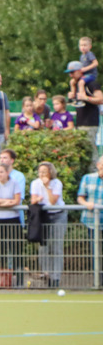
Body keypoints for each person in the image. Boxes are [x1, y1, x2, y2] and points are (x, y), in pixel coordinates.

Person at [0, 164, 23, 287]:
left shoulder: (14, 183)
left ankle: (19, 281)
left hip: (13, 219)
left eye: (1, 172)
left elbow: (16, 201)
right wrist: (5, 202)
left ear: (7, 172)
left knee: (16, 250)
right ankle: (1, 281)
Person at [31, 161, 66, 288]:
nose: (42, 174)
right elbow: (33, 200)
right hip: (43, 216)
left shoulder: (57, 183)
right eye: (40, 172)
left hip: (58, 215)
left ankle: (56, 277)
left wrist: (47, 187)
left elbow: (52, 201)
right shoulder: (35, 183)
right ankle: (46, 274)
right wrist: (38, 199)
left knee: (56, 247)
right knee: (43, 247)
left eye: (44, 172)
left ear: (50, 172)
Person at [77, 157, 103, 288]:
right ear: (98, 165)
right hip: (92, 221)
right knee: (95, 251)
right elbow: (80, 198)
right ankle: (97, 281)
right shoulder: (87, 178)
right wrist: (87, 204)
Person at [66, 60, 103, 128]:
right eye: (69, 73)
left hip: (90, 124)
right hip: (79, 123)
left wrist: (86, 98)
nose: (71, 75)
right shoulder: (76, 84)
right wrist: (72, 97)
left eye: (72, 72)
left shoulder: (91, 84)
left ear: (80, 71)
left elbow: (101, 100)